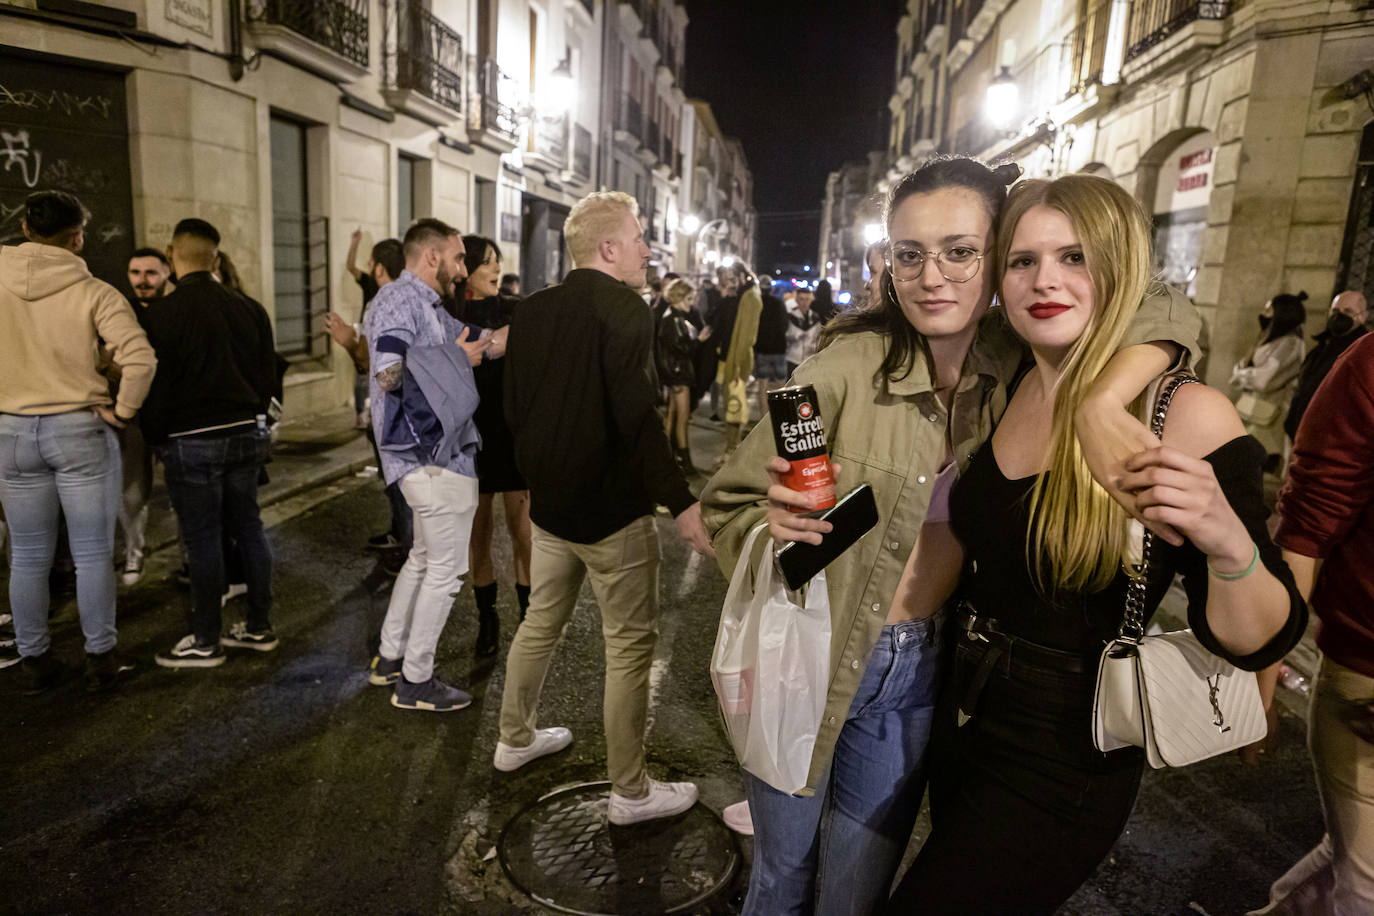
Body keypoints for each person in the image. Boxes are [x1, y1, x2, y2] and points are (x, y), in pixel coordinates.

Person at [701, 156, 1202, 916]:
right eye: (910, 254)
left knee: (856, 891)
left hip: (921, 669)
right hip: (808, 653)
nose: (931, 275)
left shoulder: (1020, 364)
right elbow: (728, 504)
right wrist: (766, 529)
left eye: (961, 252)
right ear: (890, 263)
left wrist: (1103, 398)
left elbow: (1163, 305)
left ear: (998, 260)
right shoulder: (843, 368)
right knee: (782, 878)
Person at [886, 174, 1308, 914]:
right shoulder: (1008, 374)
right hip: (962, 709)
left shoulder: (1185, 413)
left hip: (1066, 749)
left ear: (1118, 271)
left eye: (1075, 257)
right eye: (1022, 261)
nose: (1045, 279)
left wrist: (1223, 538)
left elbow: (1259, 638)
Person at [496, 190, 713, 825]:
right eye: (640, 236)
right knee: (628, 647)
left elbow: (516, 405)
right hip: (611, 513)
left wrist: (532, 477)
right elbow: (635, 417)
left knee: (540, 623)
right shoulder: (624, 306)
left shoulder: (532, 309)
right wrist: (681, 502)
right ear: (609, 248)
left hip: (551, 507)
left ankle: (513, 739)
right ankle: (631, 792)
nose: (649, 248)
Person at [0, 190, 156, 693]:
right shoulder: (96, 292)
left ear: (25, 229)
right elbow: (140, 359)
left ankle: (35, 661)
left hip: (10, 432)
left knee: (26, 554)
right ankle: (100, 659)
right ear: (77, 238)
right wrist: (123, 412)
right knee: (91, 553)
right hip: (79, 429)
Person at [1252, 333, 1374, 915]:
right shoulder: (1367, 365)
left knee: (1350, 866)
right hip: (1367, 679)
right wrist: (1260, 682)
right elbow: (1306, 531)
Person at [362, 218, 489, 711]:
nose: (464, 268)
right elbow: (388, 373)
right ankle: (415, 680)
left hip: (433, 456)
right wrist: (453, 360)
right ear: (432, 256)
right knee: (447, 569)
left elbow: (481, 341)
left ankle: (391, 658)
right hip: (431, 455)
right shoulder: (400, 298)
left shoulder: (430, 307)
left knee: (421, 559)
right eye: (460, 258)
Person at [142, 218, 280, 669]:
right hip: (245, 433)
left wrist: (154, 436)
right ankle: (259, 627)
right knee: (249, 528)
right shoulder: (249, 308)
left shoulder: (161, 314)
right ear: (215, 258)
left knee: (203, 541)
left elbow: (155, 386)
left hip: (191, 441)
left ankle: (206, 640)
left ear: (170, 256)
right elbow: (268, 376)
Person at [450, 234, 529, 657]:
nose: (496, 269)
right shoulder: (448, 313)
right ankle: (488, 621)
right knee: (478, 537)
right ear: (467, 270)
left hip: (511, 433)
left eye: (498, 261)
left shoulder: (514, 307)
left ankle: (529, 619)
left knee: (524, 535)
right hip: (471, 437)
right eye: (488, 262)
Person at [324, 238, 412, 558]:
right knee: (403, 487)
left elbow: (384, 373)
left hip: (395, 414)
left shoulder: (383, 304)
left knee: (401, 487)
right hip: (409, 413)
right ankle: (403, 538)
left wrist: (349, 342)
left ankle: (409, 554)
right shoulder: (413, 300)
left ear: (378, 268)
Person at [116, 247, 172, 586]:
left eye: (150, 272)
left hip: (173, 415)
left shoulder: (178, 310)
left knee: (183, 492)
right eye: (135, 272)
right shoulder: (120, 312)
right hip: (135, 416)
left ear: (166, 273)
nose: (142, 280)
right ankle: (133, 555)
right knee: (132, 492)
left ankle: (192, 559)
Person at [1231, 291, 1307, 470]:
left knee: (1257, 465)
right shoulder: (1268, 338)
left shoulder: (1291, 344)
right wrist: (1244, 373)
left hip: (1269, 417)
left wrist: (1242, 375)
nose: (1263, 313)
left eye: (1268, 309)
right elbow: (1240, 369)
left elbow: (1263, 380)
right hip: (1252, 410)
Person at [1283, 290, 1368, 441]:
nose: (1339, 315)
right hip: (1301, 433)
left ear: (1362, 317)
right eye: (1335, 310)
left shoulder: (1361, 352)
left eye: (1348, 311)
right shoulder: (1323, 346)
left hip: (1328, 439)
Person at [717, 263, 761, 465]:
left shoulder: (750, 297)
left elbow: (747, 335)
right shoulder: (739, 296)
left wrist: (737, 364)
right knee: (730, 404)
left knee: (734, 406)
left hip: (737, 359)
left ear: (742, 275)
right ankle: (729, 450)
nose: (729, 280)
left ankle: (731, 452)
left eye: (733, 276)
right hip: (729, 356)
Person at [657, 278, 700, 473]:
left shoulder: (672, 316)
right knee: (681, 418)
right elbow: (679, 349)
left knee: (673, 416)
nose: (692, 303)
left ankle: (667, 459)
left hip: (675, 374)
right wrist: (698, 340)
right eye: (689, 298)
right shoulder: (673, 319)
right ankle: (684, 461)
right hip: (678, 374)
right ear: (680, 297)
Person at [753, 275, 790, 418]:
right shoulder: (778, 303)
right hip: (779, 347)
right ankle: (781, 415)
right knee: (781, 383)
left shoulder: (757, 303)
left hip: (762, 348)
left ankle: (763, 417)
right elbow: (785, 324)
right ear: (771, 288)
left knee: (762, 384)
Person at [785, 284, 817, 376]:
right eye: (801, 299)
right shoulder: (790, 316)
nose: (804, 303)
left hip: (809, 359)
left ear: (811, 300)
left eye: (807, 299)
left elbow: (818, 337)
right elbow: (784, 336)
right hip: (793, 358)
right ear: (796, 300)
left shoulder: (815, 318)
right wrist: (797, 336)